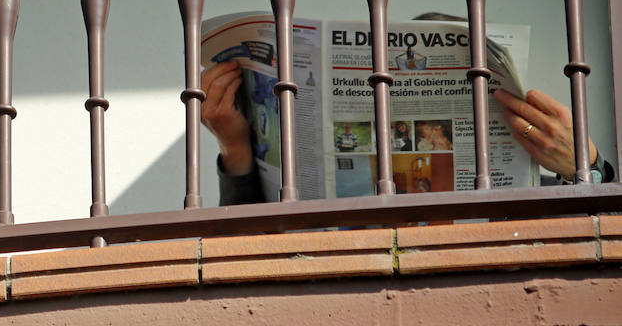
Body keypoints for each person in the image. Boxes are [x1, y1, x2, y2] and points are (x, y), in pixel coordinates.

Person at [201, 60, 615, 205]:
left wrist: (587, 168)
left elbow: (597, 238)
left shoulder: (523, 188)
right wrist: (235, 146)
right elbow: (247, 243)